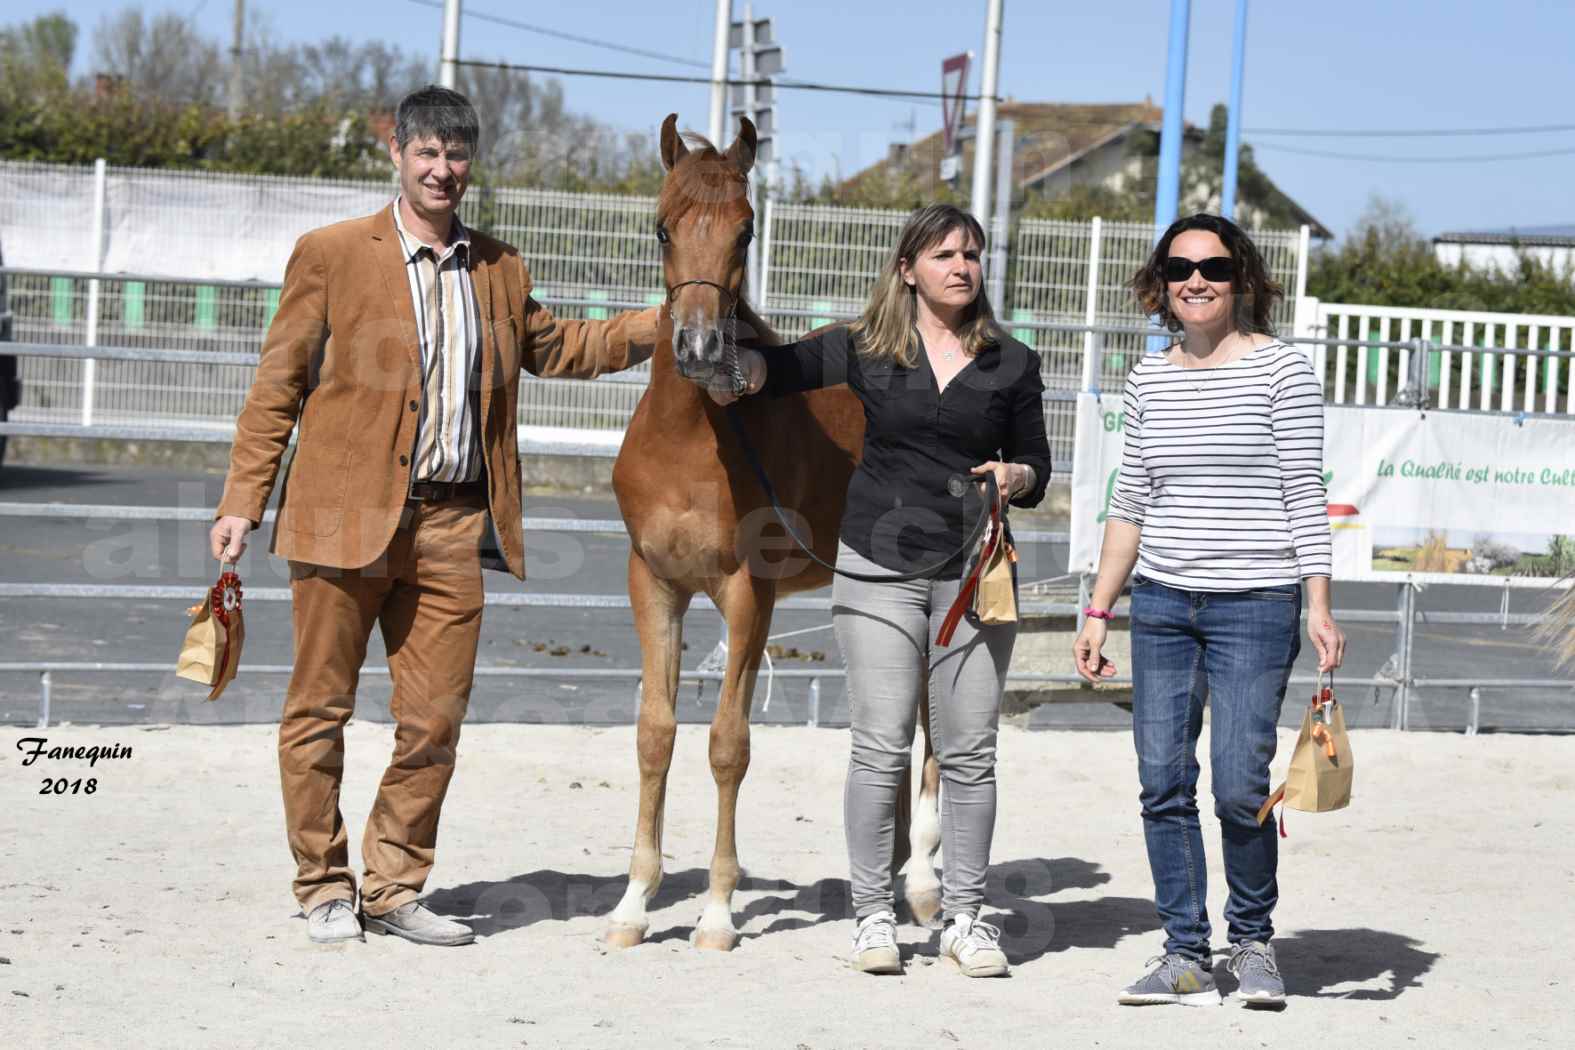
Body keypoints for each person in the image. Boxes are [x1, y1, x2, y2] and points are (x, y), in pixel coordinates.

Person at [208, 86, 661, 947]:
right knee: (318, 711)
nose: (442, 170)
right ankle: (322, 885)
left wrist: (660, 323)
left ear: (469, 162)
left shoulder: (499, 266)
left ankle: (393, 886)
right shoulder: (331, 254)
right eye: (427, 154)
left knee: (434, 722)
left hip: (454, 524)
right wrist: (243, 498)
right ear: (396, 153)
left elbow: (558, 347)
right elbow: (278, 387)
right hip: (341, 519)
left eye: (456, 156)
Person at [713, 203, 1052, 976]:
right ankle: (871, 916)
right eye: (942, 255)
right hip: (874, 569)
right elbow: (773, 374)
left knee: (969, 752)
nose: (960, 266)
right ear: (907, 270)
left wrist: (1017, 473)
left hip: (972, 571)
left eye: (970, 252)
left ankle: (965, 917)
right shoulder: (862, 348)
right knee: (881, 747)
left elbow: (1037, 467)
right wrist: (730, 361)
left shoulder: (1012, 363)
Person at [1072, 213, 1346, 1007]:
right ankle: (1184, 953)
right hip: (1159, 603)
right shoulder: (1148, 376)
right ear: (1159, 286)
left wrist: (1319, 605)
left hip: (1256, 606)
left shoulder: (1281, 371)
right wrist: (1098, 611)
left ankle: (1253, 942)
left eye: (1215, 268)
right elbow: (1132, 498)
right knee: (1161, 781)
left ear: (1242, 280)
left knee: (1236, 783)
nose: (1196, 280)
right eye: (1179, 268)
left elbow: (1304, 492)